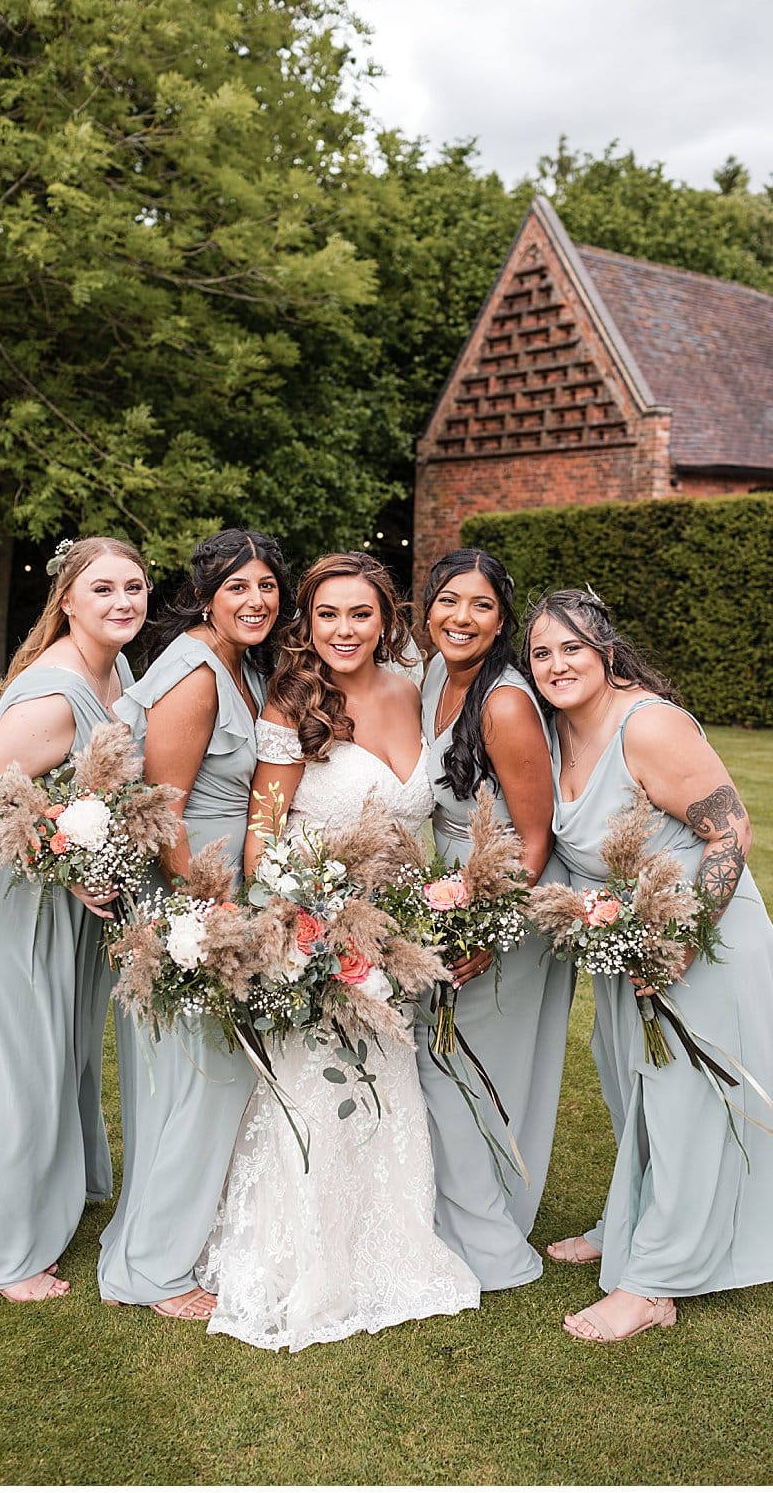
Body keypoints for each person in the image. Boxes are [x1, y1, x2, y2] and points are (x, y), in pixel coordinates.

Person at [523, 587, 773, 1341]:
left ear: (607, 651)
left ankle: (654, 1283)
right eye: (542, 653)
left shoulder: (648, 726)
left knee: (685, 1108)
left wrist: (682, 937)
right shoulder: (556, 732)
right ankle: (631, 1226)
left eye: (572, 647)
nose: (556, 665)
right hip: (628, 951)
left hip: (699, 946)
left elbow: (732, 832)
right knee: (635, 1097)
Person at [197, 552, 480, 1350]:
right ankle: (309, 1259)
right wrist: (298, 921)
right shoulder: (294, 702)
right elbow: (262, 837)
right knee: (320, 1087)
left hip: (399, 929)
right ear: (307, 622)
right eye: (327, 615)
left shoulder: (415, 688)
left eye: (360, 613)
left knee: (389, 1082)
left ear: (387, 618)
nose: (344, 630)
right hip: (318, 926)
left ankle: (387, 1244)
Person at [0, 536, 150, 1301]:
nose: (123, 602)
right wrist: (69, 864)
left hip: (57, 903)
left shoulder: (118, 670)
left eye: (136, 588)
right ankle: (0, 1259)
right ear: (68, 600)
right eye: (105, 589)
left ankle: (15, 1202)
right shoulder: (54, 692)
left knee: (53, 1057)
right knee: (21, 1066)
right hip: (5, 898)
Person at [97, 529, 294, 1319]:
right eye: (238, 586)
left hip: (224, 892)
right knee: (208, 1080)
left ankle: (162, 1240)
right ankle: (150, 1272)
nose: (256, 600)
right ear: (206, 593)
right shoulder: (192, 670)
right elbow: (164, 811)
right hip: (191, 899)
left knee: (200, 1080)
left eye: (268, 586)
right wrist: (208, 912)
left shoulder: (241, 665)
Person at [417, 549, 575, 1291]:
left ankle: (486, 1240)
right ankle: (451, 1218)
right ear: (428, 607)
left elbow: (536, 839)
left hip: (506, 900)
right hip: (452, 889)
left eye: (481, 605)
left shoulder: (504, 702)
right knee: (443, 1062)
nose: (461, 617)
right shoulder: (433, 678)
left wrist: (485, 926)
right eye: (449, 600)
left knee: (465, 1071)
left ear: (502, 620)